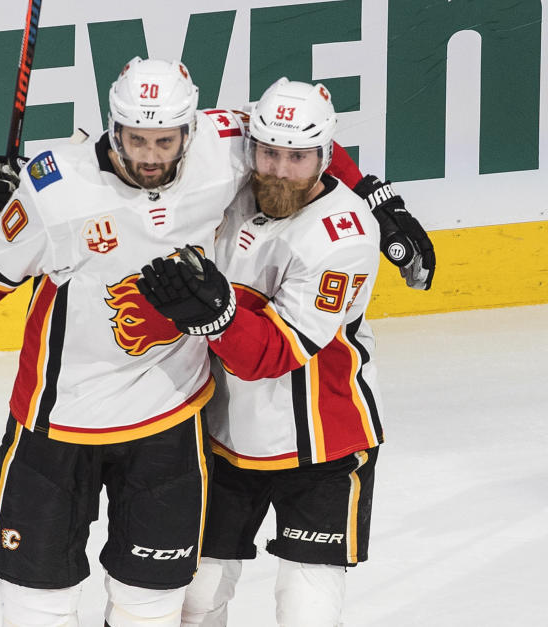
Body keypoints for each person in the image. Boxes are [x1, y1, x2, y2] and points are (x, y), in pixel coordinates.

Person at [0, 58, 374, 627]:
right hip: (57, 419)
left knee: (152, 607)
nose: (151, 155)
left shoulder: (228, 143)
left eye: (166, 140)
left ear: (191, 131)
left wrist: (372, 195)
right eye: (136, 139)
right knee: (39, 605)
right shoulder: (55, 191)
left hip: (170, 419)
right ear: (112, 128)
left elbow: (297, 135)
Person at [136, 78, 384, 626]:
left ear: (325, 156)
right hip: (225, 437)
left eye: (298, 157)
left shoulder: (344, 239)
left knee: (305, 608)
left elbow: (275, 355)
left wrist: (216, 318)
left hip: (322, 446)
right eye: (269, 151)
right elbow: (150, 131)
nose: (279, 168)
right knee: (197, 599)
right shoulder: (234, 182)